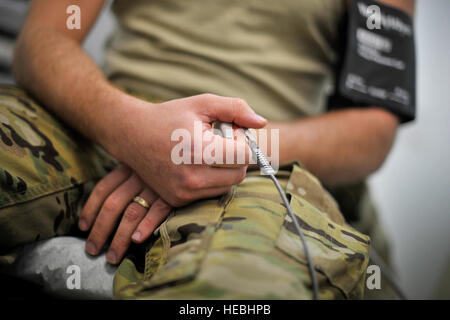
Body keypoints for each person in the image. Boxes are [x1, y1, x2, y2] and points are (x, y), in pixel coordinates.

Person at [0, 0, 414, 299]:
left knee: (244, 290)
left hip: (262, 155)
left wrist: (226, 148)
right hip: (107, 120)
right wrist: (133, 130)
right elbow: (44, 40)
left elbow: (373, 130)